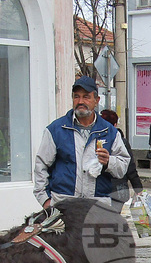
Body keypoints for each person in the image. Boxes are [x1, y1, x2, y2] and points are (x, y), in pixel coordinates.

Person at [32, 76, 130, 208]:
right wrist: (45, 200)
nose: (80, 101)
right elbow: (41, 166)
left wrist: (109, 162)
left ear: (96, 100)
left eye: (86, 97)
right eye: (76, 96)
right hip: (64, 204)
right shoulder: (56, 130)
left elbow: (123, 167)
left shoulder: (109, 132)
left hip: (98, 206)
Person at [101, 109, 143, 211]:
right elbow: (130, 167)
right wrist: (138, 187)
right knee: (113, 217)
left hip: (101, 189)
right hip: (119, 189)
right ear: (115, 124)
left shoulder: (96, 141)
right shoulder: (122, 142)